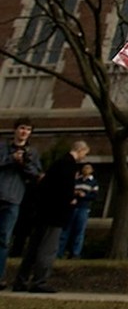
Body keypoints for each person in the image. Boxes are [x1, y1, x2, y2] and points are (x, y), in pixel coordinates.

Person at [13, 139, 90, 293]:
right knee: (47, 249)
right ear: (80, 150)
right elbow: (65, 190)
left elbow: (45, 185)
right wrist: (71, 200)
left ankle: (21, 280)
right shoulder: (69, 165)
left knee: (33, 248)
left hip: (43, 213)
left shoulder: (58, 163)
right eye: (84, 154)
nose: (84, 157)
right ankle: (39, 281)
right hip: (55, 214)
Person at [0, 116, 42, 290]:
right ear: (15, 130)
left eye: (28, 130)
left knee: (4, 239)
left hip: (14, 198)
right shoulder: (2, 148)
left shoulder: (32, 152)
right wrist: (11, 159)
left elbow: (36, 174)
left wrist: (23, 163)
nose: (24, 132)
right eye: (22, 128)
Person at [57, 163, 99, 259]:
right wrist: (74, 195)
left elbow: (95, 196)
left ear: (91, 170)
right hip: (72, 208)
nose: (86, 169)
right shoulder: (77, 181)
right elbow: (69, 191)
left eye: (88, 168)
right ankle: (59, 252)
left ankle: (75, 253)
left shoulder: (93, 182)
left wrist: (85, 196)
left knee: (79, 231)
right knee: (66, 230)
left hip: (84, 208)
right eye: (84, 167)